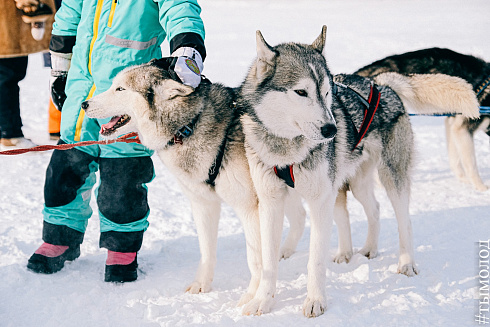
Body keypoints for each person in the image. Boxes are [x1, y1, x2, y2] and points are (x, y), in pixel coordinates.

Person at [27, 0, 206, 283]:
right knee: (66, 168)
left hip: (129, 97)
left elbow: (180, 9)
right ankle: (60, 238)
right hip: (81, 91)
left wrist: (187, 49)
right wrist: (60, 71)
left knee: (123, 178)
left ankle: (121, 248)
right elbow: (67, 18)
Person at [0, 0, 55, 150]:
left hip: (9, 23)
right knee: (8, 77)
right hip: (9, 24)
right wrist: (30, 4)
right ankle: (10, 133)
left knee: (7, 77)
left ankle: (9, 132)